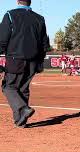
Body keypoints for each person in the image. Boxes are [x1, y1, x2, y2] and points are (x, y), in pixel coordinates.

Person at [0, 0, 50, 128]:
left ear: (17, 1)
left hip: (15, 58)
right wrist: (40, 61)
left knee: (9, 87)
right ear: (29, 2)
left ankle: (23, 109)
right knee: (23, 88)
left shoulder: (10, 15)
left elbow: (3, 39)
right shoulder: (39, 18)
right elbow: (44, 43)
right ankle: (21, 121)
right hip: (33, 60)